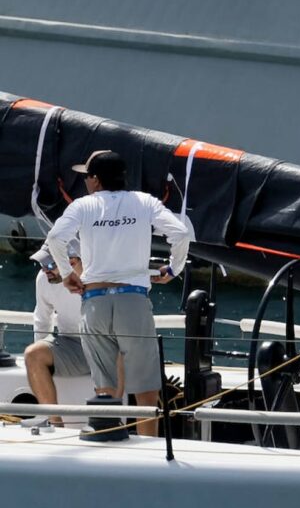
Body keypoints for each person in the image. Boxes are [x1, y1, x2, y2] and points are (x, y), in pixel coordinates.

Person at [45, 150, 192, 437]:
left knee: (105, 388)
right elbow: (181, 233)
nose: (86, 182)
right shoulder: (145, 202)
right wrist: (174, 268)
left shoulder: (82, 206)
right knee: (146, 390)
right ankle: (148, 449)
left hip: (95, 302)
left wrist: (67, 273)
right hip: (133, 301)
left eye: (87, 177)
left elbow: (55, 238)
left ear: (96, 180)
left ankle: (109, 441)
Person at [23, 241, 87, 427]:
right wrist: (42, 364)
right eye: (42, 264)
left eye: (50, 265)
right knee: (32, 355)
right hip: (72, 345)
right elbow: (42, 319)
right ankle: (55, 424)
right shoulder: (43, 279)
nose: (45, 270)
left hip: (105, 345)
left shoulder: (97, 276)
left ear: (72, 262)